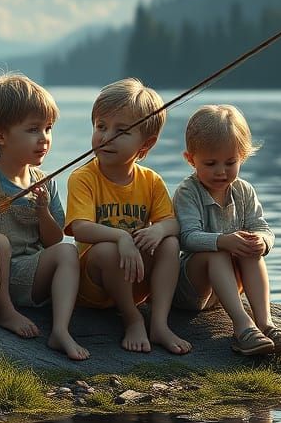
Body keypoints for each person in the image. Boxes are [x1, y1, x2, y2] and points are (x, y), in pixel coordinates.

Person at [0, 73, 89, 361]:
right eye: (33, 130)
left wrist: (43, 210)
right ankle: (5, 312)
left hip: (30, 274)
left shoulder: (45, 182)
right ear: (0, 135)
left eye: (48, 128)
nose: (44, 139)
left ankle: (60, 330)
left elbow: (54, 240)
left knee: (67, 251)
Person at [65, 78, 191, 355]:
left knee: (169, 242)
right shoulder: (84, 177)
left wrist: (159, 231)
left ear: (145, 145)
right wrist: (121, 236)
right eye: (101, 126)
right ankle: (133, 319)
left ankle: (158, 324)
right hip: (95, 285)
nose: (106, 136)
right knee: (106, 251)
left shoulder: (150, 181)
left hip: (135, 279)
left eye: (121, 131)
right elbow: (79, 227)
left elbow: (172, 223)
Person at [172, 104, 281, 355]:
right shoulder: (188, 191)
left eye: (230, 162)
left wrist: (262, 241)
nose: (221, 171)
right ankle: (242, 327)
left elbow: (263, 227)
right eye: (210, 163)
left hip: (226, 289)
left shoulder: (244, 190)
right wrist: (223, 241)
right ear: (190, 159)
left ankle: (265, 322)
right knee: (218, 252)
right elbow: (186, 238)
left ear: (242, 156)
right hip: (192, 288)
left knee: (251, 248)